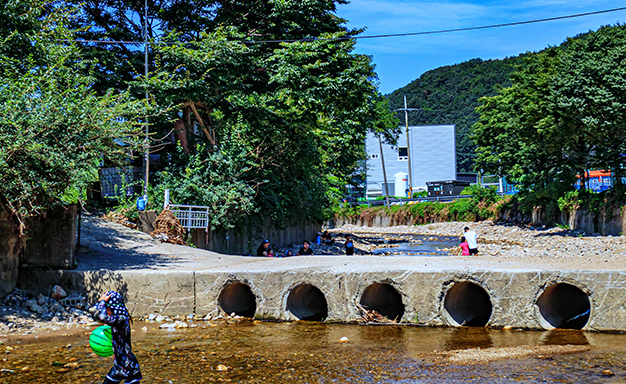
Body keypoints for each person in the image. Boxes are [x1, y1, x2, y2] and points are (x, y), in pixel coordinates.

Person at [92, 291, 142, 384]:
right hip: (118, 367)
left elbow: (102, 317)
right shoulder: (116, 320)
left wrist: (102, 301)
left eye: (105, 308)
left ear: (110, 307)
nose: (105, 312)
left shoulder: (122, 319)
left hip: (129, 368)